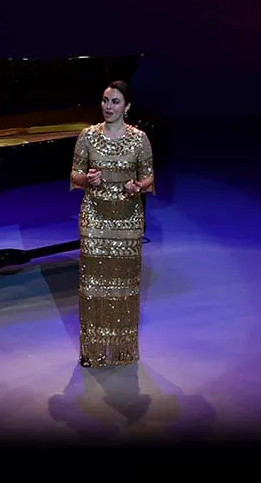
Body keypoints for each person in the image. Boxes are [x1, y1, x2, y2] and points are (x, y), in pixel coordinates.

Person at [69, 80, 154, 368]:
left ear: (126, 106)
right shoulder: (87, 136)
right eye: (105, 100)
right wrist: (86, 180)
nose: (108, 106)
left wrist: (137, 187)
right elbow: (75, 175)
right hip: (94, 218)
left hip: (128, 218)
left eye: (115, 101)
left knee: (124, 285)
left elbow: (149, 178)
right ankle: (91, 351)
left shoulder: (140, 138)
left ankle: (121, 351)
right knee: (93, 285)